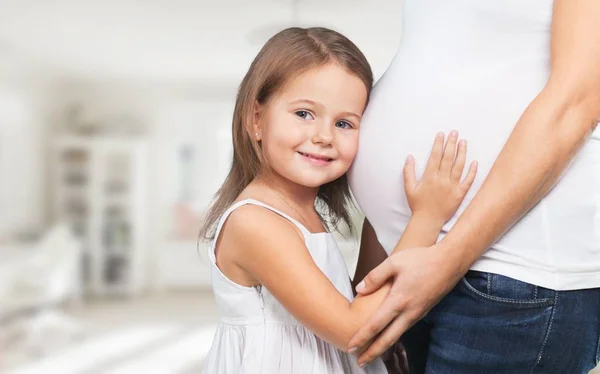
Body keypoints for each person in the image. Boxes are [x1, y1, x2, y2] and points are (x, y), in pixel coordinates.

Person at [198, 27, 477, 373]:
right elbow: (354, 330)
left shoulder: (302, 213)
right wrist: (427, 218)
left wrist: (380, 210)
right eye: (303, 114)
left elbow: (358, 299)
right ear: (256, 119)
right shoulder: (255, 222)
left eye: (344, 123)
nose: (324, 136)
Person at [348, 1, 600, 372]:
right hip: (417, 263)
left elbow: (577, 101)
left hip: (512, 274)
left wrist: (445, 262)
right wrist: (375, 278)